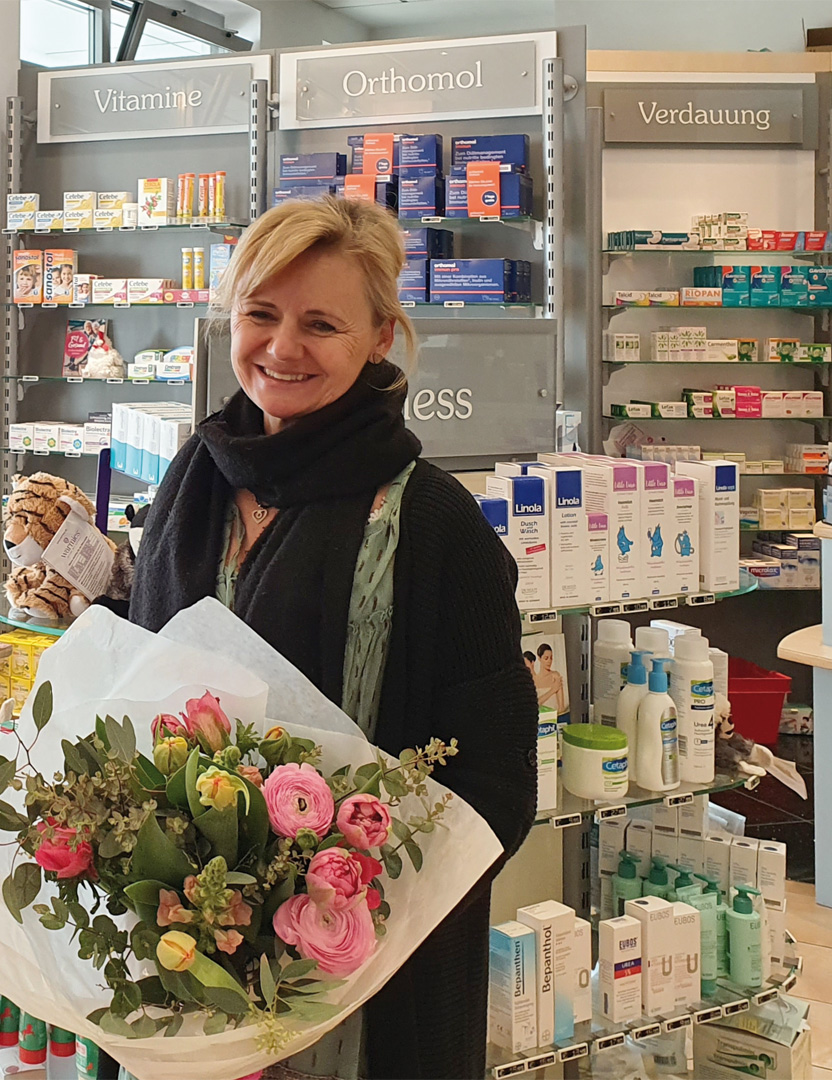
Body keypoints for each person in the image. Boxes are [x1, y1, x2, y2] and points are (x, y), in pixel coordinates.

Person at [129, 196, 536, 1079]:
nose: (281, 349)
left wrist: (328, 891)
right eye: (261, 315)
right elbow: (134, 692)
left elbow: (498, 787)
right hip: (180, 950)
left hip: (365, 984)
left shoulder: (434, 525)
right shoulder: (190, 483)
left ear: (381, 336)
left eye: (321, 324)